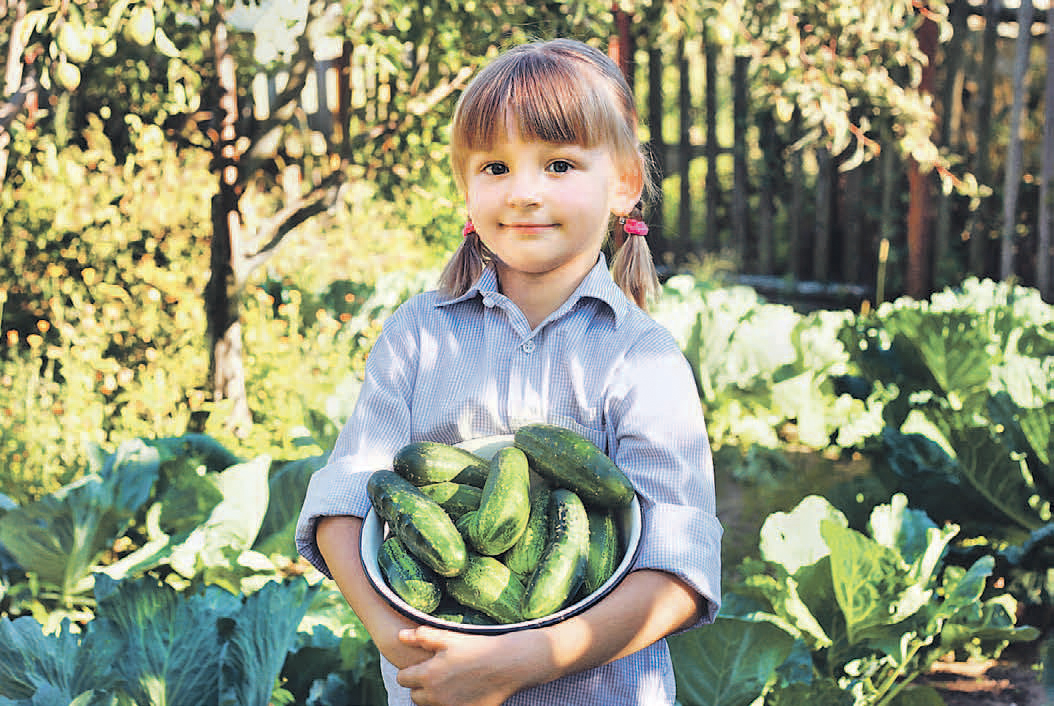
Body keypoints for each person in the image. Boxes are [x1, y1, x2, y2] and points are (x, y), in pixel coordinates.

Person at [295, 37, 722, 706]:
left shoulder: (642, 360)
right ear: (466, 188)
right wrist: (399, 638)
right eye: (496, 166)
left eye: (557, 164)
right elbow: (346, 499)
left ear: (623, 185)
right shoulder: (417, 334)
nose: (524, 192)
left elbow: (679, 570)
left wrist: (522, 660)